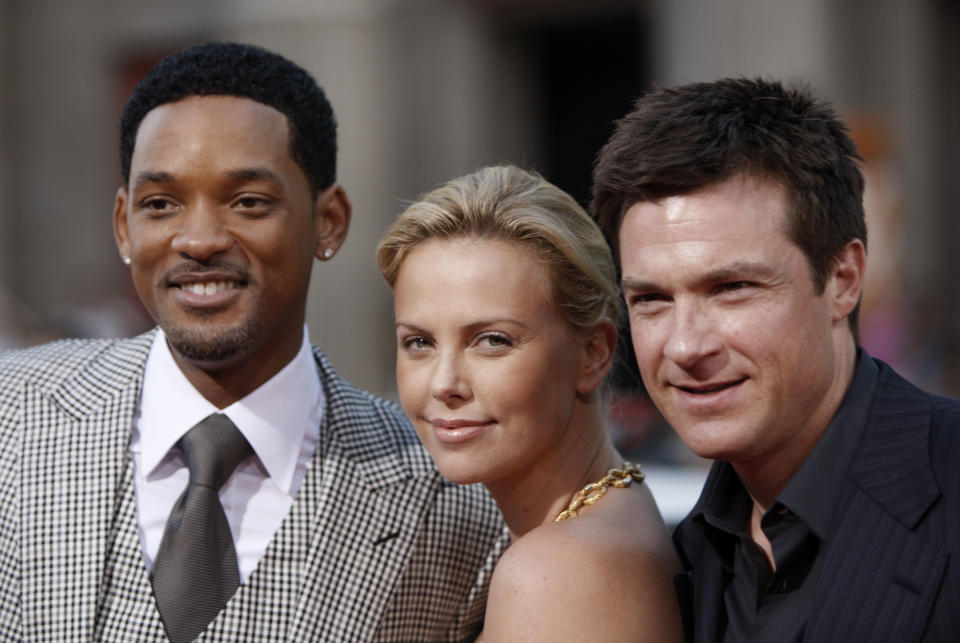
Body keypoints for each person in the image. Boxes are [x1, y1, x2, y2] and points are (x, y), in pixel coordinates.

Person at [0, 42, 505, 642]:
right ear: (123, 226)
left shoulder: (452, 502)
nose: (200, 239)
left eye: (248, 202)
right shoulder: (13, 416)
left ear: (329, 221)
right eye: (160, 204)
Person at [591, 77, 960, 642]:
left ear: (843, 279)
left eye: (732, 287)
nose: (686, 346)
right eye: (652, 300)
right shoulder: (678, 555)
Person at [376, 164, 684, 642]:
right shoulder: (608, 520)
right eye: (418, 342)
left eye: (492, 340)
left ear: (592, 353)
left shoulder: (557, 571)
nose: (444, 383)